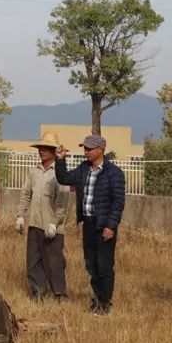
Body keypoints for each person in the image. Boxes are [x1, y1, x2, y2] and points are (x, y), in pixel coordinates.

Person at [54, 134, 125, 315]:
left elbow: (118, 202)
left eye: (89, 149)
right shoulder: (83, 169)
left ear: (101, 150)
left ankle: (105, 302)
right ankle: (97, 298)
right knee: (91, 264)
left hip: (104, 225)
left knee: (104, 265)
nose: (86, 152)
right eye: (84, 148)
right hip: (89, 223)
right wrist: (60, 160)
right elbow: (64, 178)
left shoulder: (113, 173)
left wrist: (111, 226)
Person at [16, 132, 70, 301]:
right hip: (35, 223)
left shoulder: (59, 174)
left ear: (55, 151)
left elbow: (62, 202)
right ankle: (37, 291)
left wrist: (54, 223)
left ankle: (59, 294)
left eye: (46, 148)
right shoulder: (34, 172)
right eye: (41, 148)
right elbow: (26, 194)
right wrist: (20, 215)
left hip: (52, 226)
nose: (42, 151)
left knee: (54, 262)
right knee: (33, 261)